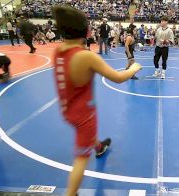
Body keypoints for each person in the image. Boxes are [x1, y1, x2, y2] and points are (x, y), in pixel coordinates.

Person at [52, 6, 141, 196]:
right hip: (84, 114)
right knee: (81, 158)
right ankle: (71, 193)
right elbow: (117, 77)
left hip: (66, 109)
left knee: (87, 136)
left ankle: (99, 147)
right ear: (86, 31)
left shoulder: (58, 51)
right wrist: (134, 68)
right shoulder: (85, 56)